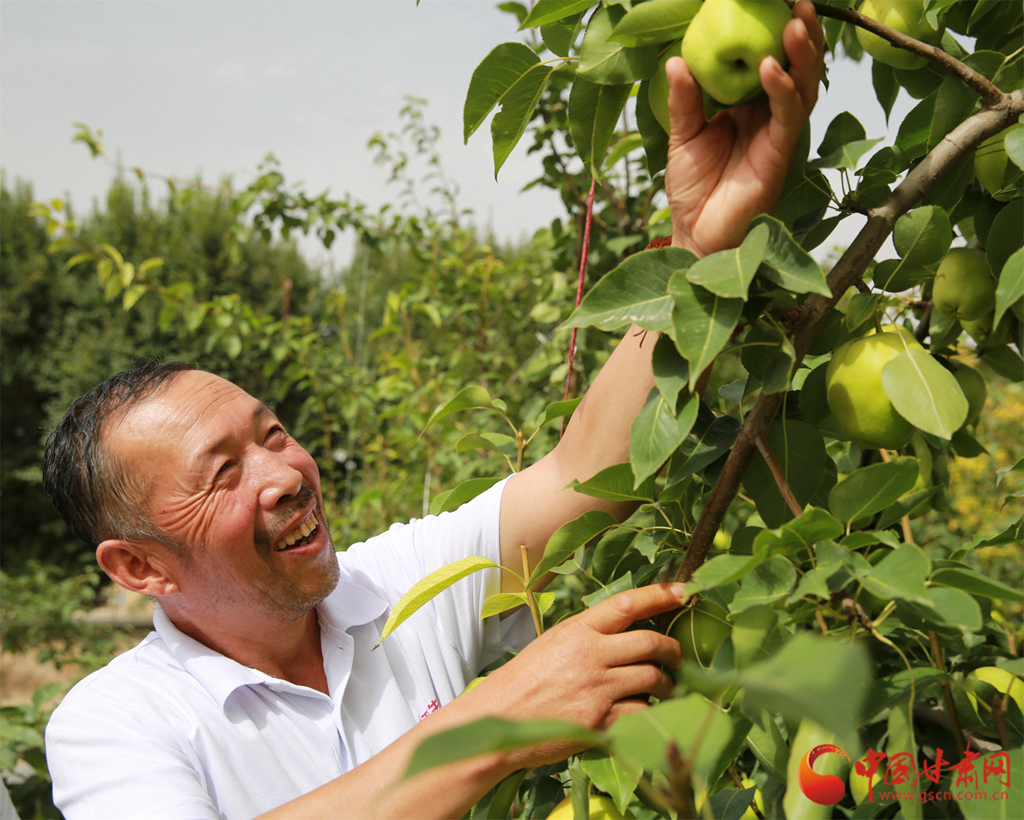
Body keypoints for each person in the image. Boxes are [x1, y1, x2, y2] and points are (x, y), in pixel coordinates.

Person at [41, 4, 824, 818]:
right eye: (224, 473)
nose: (284, 475)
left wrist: (697, 251)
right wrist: (496, 722)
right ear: (140, 568)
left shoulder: (395, 592)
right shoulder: (115, 724)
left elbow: (586, 474)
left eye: (273, 435)